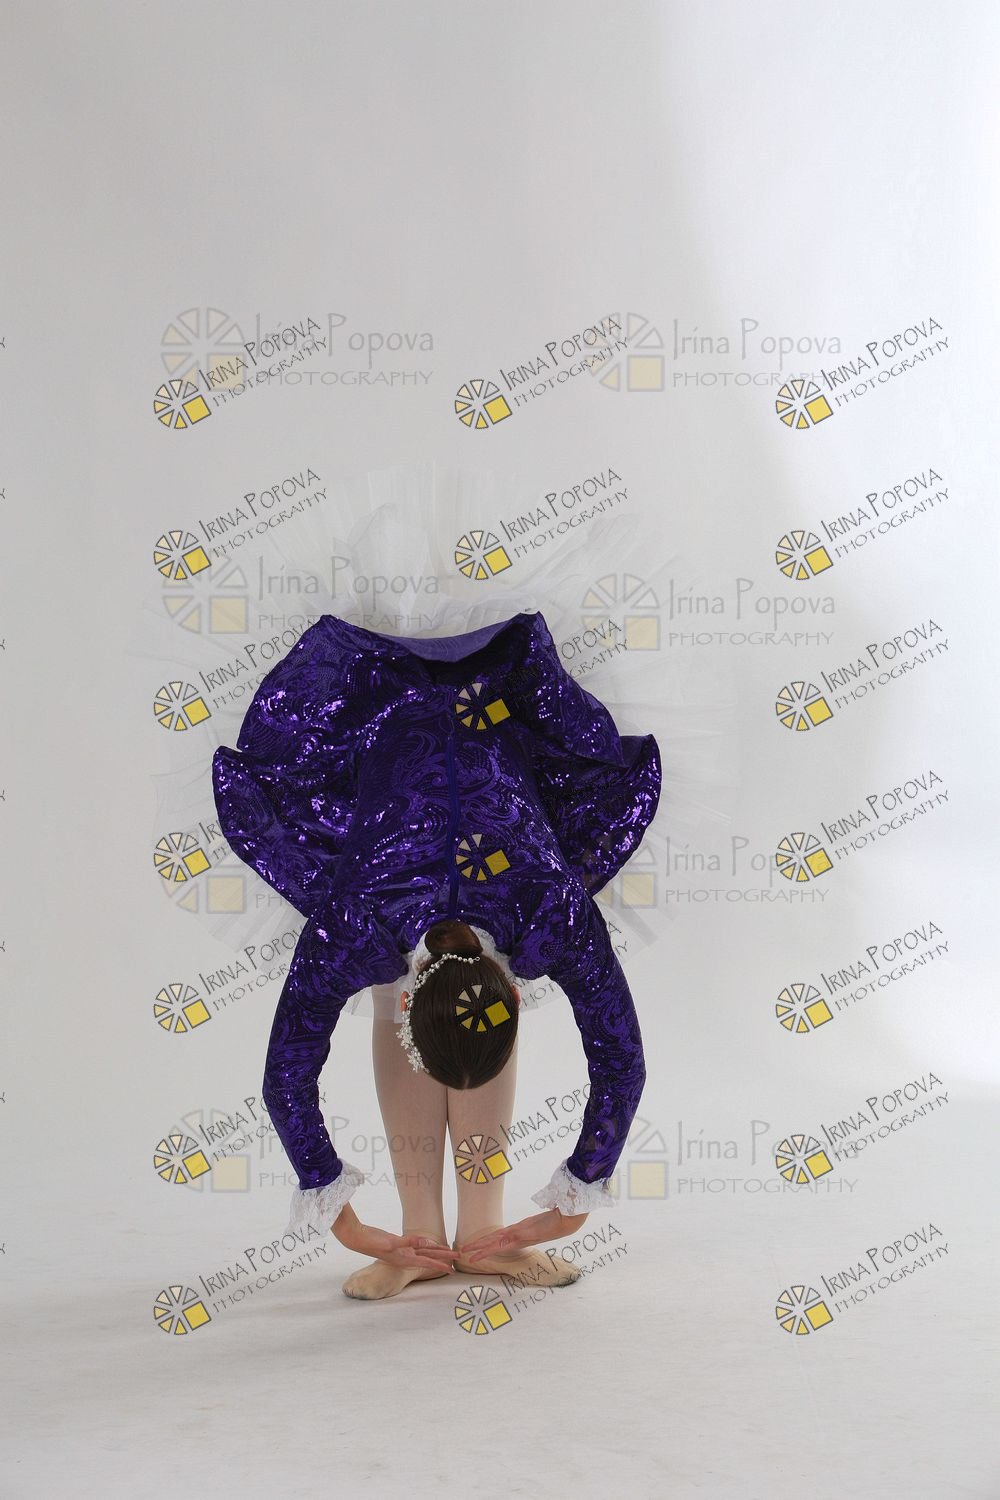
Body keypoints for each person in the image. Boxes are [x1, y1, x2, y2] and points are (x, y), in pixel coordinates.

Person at [212, 609, 661, 1299]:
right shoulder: (355, 922)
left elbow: (623, 1061)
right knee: (426, 1010)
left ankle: (482, 1232)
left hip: (497, 726)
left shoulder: (552, 907)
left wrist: (574, 1199)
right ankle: (418, 1236)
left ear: (513, 989)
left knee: (462, 1030)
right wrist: (352, 1224)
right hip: (369, 704)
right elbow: (285, 1080)